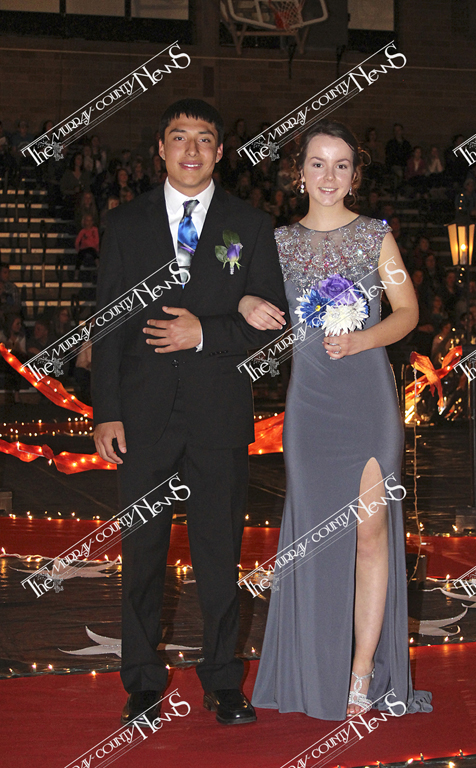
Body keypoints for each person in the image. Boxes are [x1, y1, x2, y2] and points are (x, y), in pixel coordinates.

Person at [92, 99, 288, 728]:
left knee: (218, 556)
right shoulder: (124, 223)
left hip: (217, 416)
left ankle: (224, 681)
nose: (192, 150)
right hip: (141, 419)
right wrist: (106, 412)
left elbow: (272, 325)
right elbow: (109, 325)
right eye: (179, 138)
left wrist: (206, 332)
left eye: (204, 139)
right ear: (161, 148)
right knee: (142, 556)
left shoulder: (251, 224)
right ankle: (142, 682)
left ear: (220, 151)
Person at [239, 119, 431, 720]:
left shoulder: (375, 236)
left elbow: (407, 311)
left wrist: (363, 338)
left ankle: (361, 671)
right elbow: (233, 285)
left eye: (341, 164)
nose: (329, 175)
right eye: (318, 163)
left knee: (370, 532)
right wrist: (246, 300)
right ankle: (315, 668)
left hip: (368, 403)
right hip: (310, 408)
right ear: (299, 172)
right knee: (316, 541)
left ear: (355, 173)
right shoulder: (276, 242)